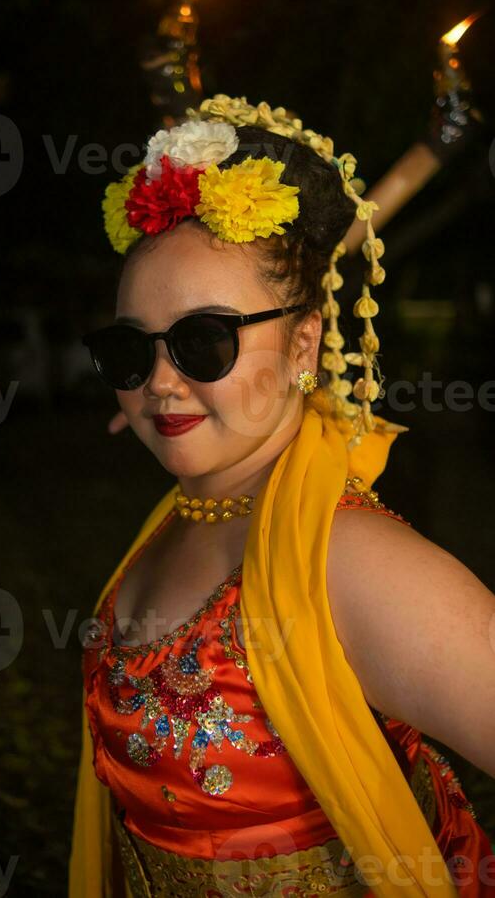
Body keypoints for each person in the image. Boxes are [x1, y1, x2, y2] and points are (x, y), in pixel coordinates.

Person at [69, 95, 495, 898]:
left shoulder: (353, 562)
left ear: (304, 342)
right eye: (130, 351)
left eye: (204, 341)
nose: (160, 382)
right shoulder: (183, 516)